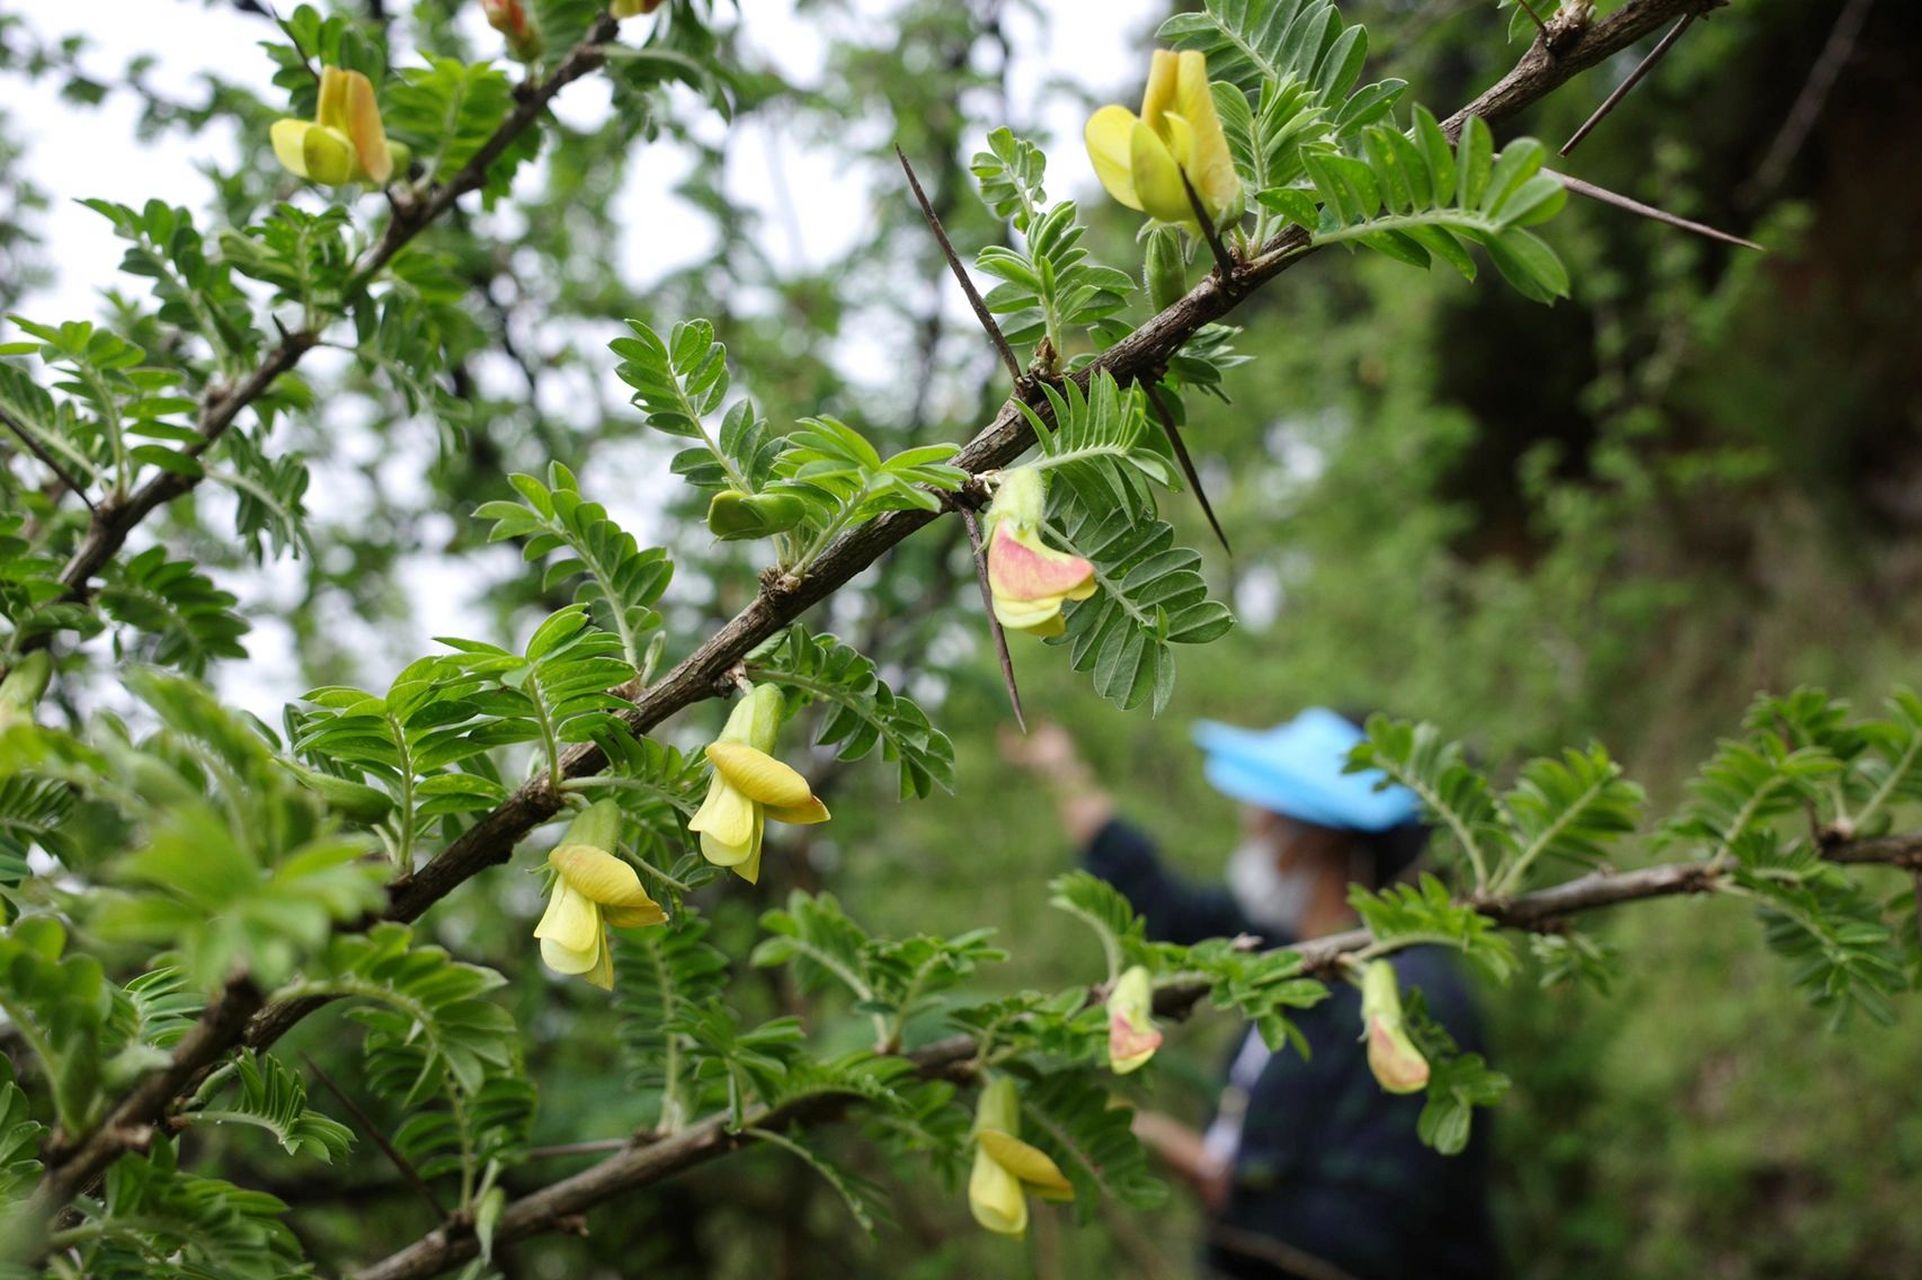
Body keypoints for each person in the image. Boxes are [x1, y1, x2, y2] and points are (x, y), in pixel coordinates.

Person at [1004, 708, 1503, 1280]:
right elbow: (1156, 900)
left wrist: (1206, 1167)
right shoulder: (1287, 959)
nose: (1248, 827)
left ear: (1314, 838)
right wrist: (1062, 769)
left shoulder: (1415, 1002)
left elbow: (1367, 1238)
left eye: (1263, 814)